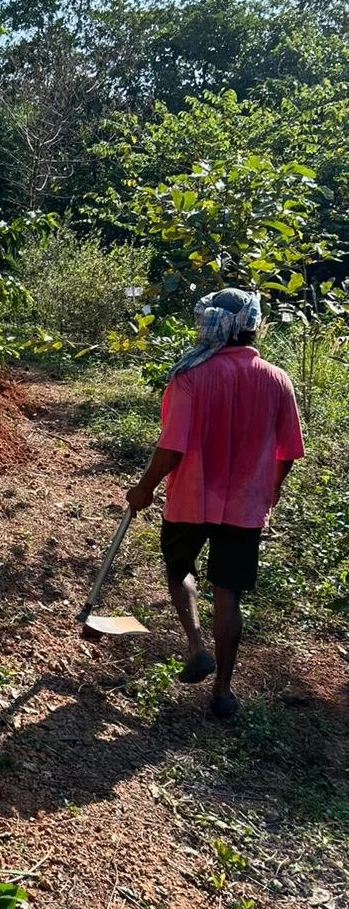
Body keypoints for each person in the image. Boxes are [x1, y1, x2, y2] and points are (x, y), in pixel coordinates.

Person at [126, 288, 304, 720]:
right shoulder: (277, 379)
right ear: (253, 325)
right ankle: (223, 691)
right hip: (245, 504)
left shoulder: (191, 376)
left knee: (179, 568)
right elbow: (288, 452)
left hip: (191, 497)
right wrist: (271, 488)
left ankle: (195, 646)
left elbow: (171, 448)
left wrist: (145, 486)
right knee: (228, 591)